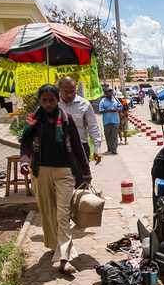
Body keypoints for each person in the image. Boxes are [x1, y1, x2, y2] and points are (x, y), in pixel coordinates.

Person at [19, 84, 91, 273]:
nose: (49, 104)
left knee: (62, 214)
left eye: (52, 100)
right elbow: (25, 143)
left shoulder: (65, 118)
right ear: (40, 101)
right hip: (41, 172)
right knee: (48, 213)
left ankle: (64, 258)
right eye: (45, 100)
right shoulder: (35, 119)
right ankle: (56, 246)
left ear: (57, 99)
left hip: (64, 172)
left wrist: (86, 172)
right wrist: (24, 161)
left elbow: (77, 145)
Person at [58, 77, 102, 164]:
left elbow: (93, 127)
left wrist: (97, 149)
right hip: (59, 149)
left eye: (72, 91)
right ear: (60, 90)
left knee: (82, 177)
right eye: (66, 91)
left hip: (80, 148)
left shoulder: (85, 104)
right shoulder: (54, 104)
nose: (69, 95)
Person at [99, 88, 122, 155]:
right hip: (106, 121)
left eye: (111, 92)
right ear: (105, 94)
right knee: (108, 136)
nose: (111, 94)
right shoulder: (102, 101)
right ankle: (109, 149)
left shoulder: (115, 99)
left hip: (115, 121)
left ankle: (114, 150)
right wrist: (109, 110)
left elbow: (120, 107)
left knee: (114, 136)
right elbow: (100, 110)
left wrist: (117, 109)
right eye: (109, 92)